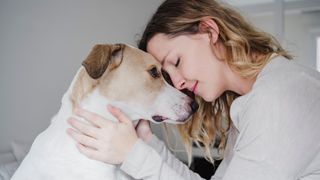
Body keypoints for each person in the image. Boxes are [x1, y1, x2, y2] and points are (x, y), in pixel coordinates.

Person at [66, 0, 320, 179]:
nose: (178, 84)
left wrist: (133, 156)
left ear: (209, 31)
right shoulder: (254, 100)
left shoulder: (277, 98)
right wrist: (145, 144)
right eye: (166, 75)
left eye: (176, 62)